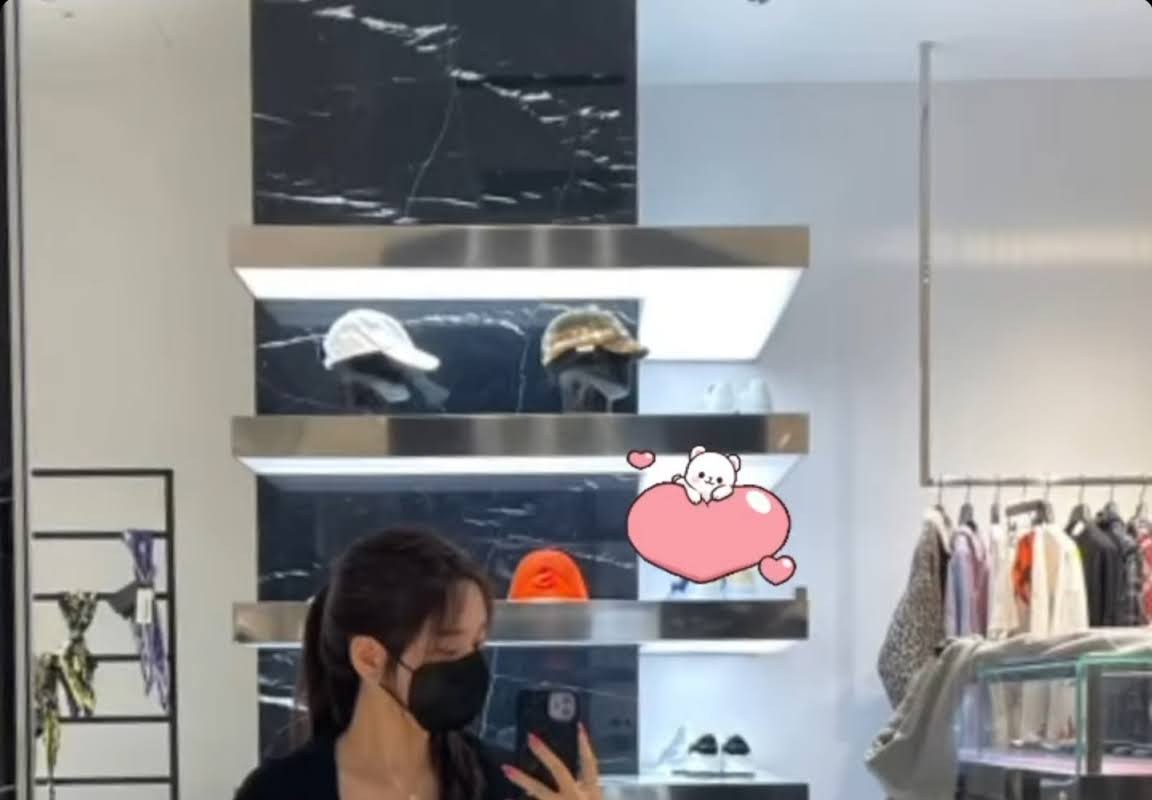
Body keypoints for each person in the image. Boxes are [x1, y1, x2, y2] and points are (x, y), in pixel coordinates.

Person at [234, 528, 603, 800]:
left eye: (477, 644)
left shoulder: (503, 785)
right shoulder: (277, 793)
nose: (468, 666)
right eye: (447, 649)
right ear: (369, 658)